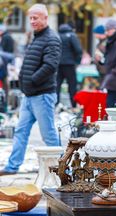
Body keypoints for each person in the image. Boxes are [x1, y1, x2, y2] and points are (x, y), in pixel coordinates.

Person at [0, 4, 61, 175]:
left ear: (45, 18)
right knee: (20, 132)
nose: (33, 21)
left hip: (42, 95)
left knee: (49, 136)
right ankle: (12, 167)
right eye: (31, 18)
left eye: (36, 17)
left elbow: (50, 65)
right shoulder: (37, 36)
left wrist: (32, 81)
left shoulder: (51, 38)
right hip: (29, 95)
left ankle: (65, 170)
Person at [56, 23, 82, 108]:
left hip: (58, 64)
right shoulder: (71, 36)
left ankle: (56, 104)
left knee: (57, 85)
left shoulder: (57, 36)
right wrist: (77, 62)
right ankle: (73, 105)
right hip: (69, 64)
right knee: (72, 85)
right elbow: (78, 50)